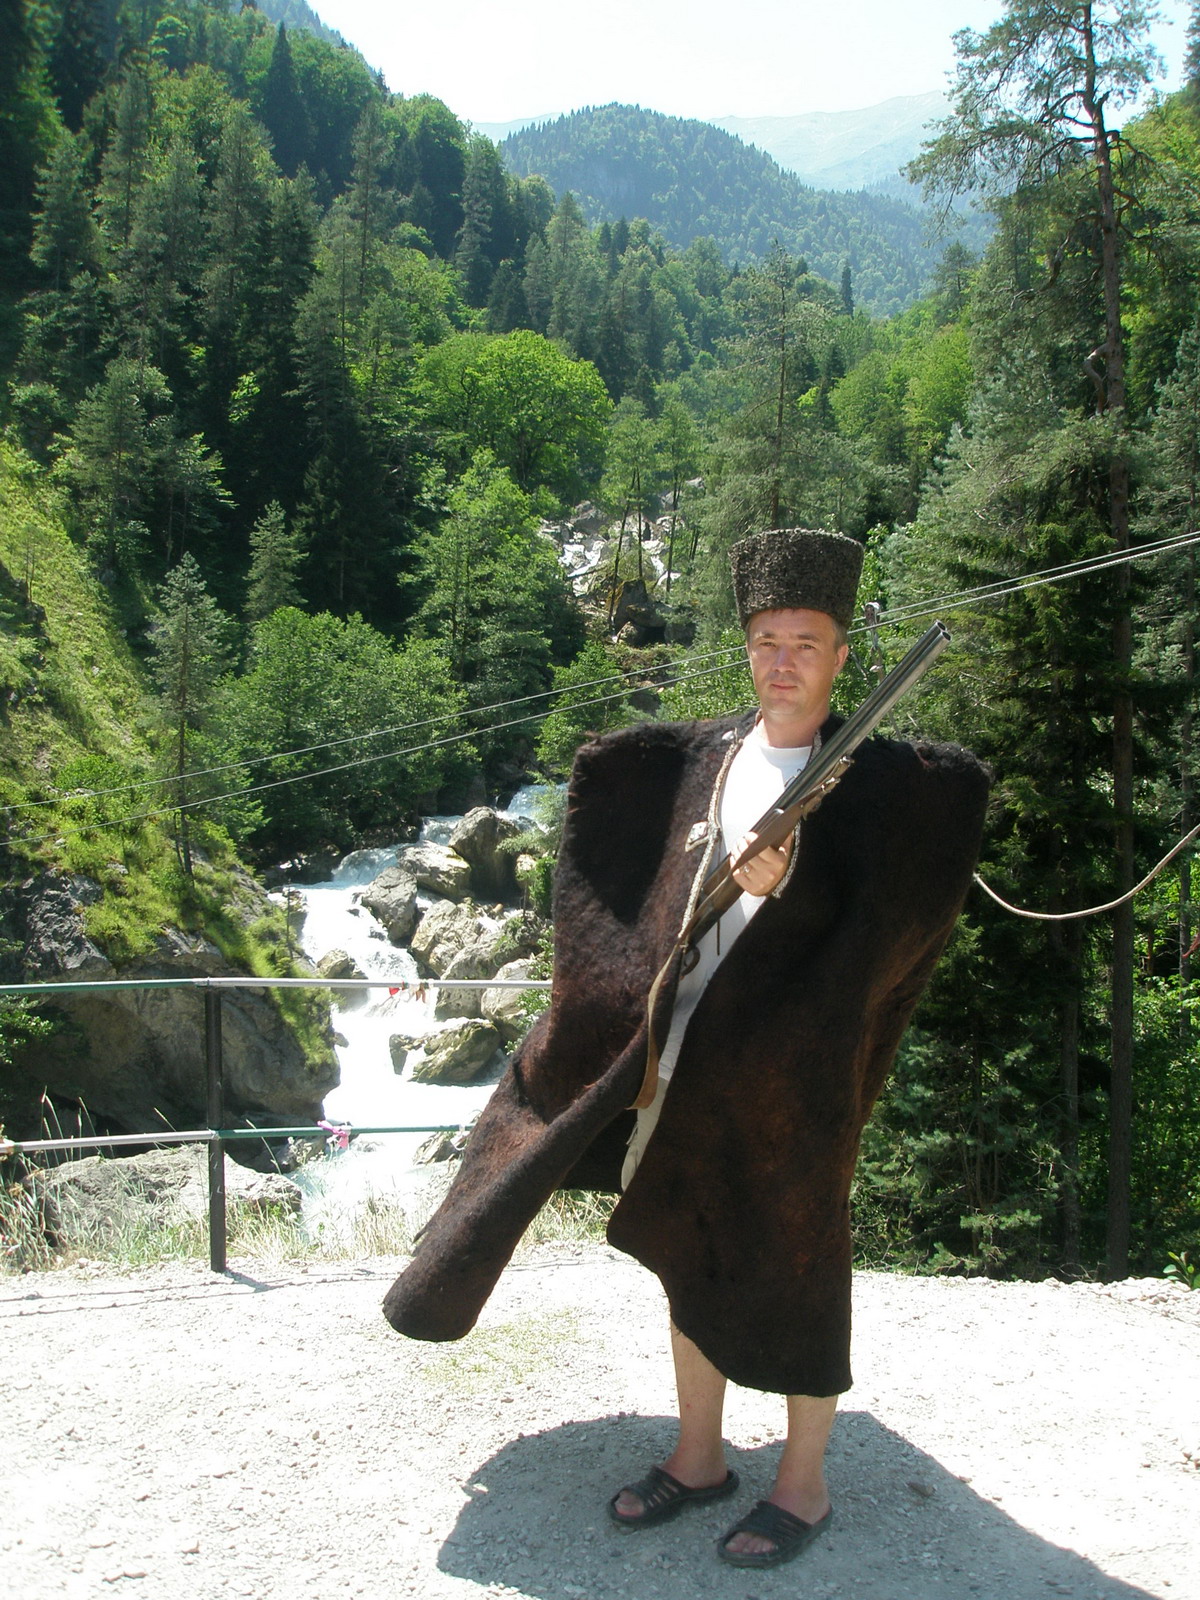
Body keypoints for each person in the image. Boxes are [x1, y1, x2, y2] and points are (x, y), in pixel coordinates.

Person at [383, 528, 989, 1571]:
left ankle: (803, 1484)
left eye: (807, 642)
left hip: (792, 1080)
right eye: (767, 641)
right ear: (748, 650)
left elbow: (888, 930)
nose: (784, 662)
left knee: (802, 1261)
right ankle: (700, 1457)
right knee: (683, 1236)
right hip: (675, 1059)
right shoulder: (702, 759)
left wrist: (794, 886)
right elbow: (638, 904)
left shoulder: (880, 787)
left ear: (842, 656)